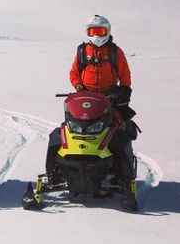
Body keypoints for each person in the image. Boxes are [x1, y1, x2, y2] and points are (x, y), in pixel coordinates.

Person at [50, 14, 138, 210]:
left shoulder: (116, 53)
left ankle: (123, 178)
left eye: (100, 31)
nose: (96, 36)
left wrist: (123, 93)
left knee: (118, 135)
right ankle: (55, 173)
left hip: (109, 101)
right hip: (85, 99)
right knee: (62, 133)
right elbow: (73, 72)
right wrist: (78, 85)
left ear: (107, 31)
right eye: (92, 32)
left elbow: (125, 76)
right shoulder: (82, 51)